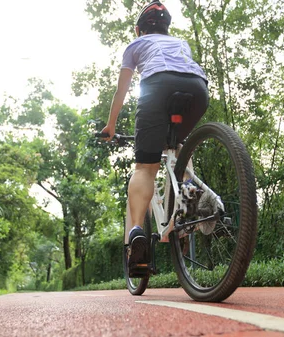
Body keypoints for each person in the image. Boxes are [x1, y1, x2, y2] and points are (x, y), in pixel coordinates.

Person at [100, 1, 209, 266]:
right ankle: (188, 192)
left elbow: (121, 91)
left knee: (145, 168)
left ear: (139, 30)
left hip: (158, 86)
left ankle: (137, 233)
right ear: (166, 27)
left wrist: (110, 126)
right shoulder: (181, 43)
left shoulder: (135, 46)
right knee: (177, 146)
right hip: (197, 88)